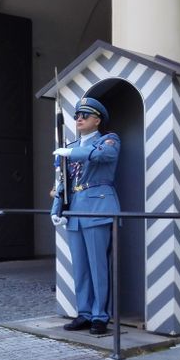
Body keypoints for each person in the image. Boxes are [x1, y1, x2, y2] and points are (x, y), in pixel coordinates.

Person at [51, 97, 120, 336]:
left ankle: (101, 316)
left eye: (85, 116)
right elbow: (63, 183)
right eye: (77, 116)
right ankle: (84, 313)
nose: (79, 119)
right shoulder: (70, 147)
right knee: (80, 267)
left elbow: (101, 155)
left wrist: (70, 152)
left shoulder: (109, 140)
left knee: (98, 266)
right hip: (75, 212)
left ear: (97, 120)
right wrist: (55, 209)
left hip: (97, 209)